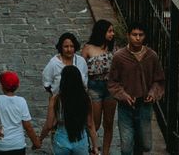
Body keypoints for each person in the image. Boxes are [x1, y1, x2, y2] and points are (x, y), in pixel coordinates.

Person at [107, 23, 165, 155]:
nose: (137, 38)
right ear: (128, 36)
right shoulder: (119, 57)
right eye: (134, 35)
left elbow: (159, 80)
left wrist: (153, 93)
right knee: (126, 146)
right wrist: (123, 95)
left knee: (145, 144)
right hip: (126, 106)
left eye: (141, 35)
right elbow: (113, 82)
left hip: (145, 105)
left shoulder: (152, 56)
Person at [44, 56, 96, 155]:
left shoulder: (56, 99)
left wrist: (39, 139)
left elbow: (49, 125)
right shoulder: (86, 98)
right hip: (80, 141)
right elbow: (90, 124)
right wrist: (95, 147)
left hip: (61, 140)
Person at [82, 20, 118, 155]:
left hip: (110, 88)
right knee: (94, 123)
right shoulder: (88, 48)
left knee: (108, 122)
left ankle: (106, 152)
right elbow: (82, 69)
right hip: (94, 88)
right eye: (109, 31)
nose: (112, 34)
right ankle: (91, 147)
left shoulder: (114, 48)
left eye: (112, 31)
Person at [0, 71, 41, 155]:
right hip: (17, 144)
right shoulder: (21, 101)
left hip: (0, 145)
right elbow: (28, 127)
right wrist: (35, 142)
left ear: (2, 86)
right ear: (17, 86)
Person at [42, 31, 89, 96]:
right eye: (66, 46)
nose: (69, 49)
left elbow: (85, 79)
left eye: (72, 46)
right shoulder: (54, 63)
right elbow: (47, 83)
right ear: (61, 47)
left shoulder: (81, 61)